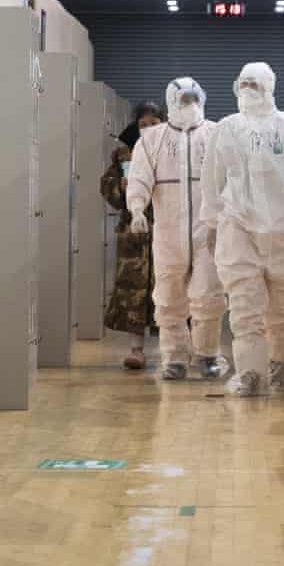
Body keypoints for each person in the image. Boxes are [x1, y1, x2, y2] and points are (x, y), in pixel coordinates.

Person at [199, 62, 284, 396]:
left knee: (283, 307)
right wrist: (212, 222)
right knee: (244, 305)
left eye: (254, 84)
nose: (248, 89)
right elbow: (211, 178)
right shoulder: (227, 129)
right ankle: (250, 373)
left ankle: (278, 365)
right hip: (238, 226)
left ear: (269, 87)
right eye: (243, 83)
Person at [126, 78, 228, 380]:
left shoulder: (216, 135)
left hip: (209, 230)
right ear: (171, 101)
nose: (190, 105)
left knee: (209, 294)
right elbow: (140, 177)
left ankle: (208, 354)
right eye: (183, 99)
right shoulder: (152, 139)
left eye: (194, 99)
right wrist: (136, 208)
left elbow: (233, 178)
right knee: (169, 296)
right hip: (169, 231)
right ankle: (174, 358)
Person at [102, 104, 164, 369]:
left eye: (154, 123)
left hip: (167, 230)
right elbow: (107, 187)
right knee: (134, 292)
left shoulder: (174, 151)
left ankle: (176, 351)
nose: (149, 129)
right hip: (134, 236)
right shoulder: (124, 154)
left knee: (171, 290)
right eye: (143, 125)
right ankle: (136, 350)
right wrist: (121, 187)